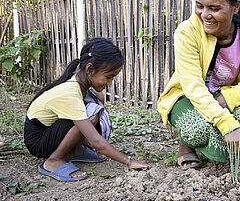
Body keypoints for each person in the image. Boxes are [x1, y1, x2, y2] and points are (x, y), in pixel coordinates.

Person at [157, 0, 240, 170]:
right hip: (187, 98)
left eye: (214, 9)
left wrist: (228, 96)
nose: (205, 15)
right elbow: (193, 87)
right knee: (197, 131)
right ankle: (187, 144)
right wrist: (227, 124)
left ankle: (219, 142)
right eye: (199, 6)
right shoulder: (187, 32)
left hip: (222, 98)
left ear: (236, 7)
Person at [24, 38, 150, 182]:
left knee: (97, 99)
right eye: (108, 77)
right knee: (91, 114)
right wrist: (129, 161)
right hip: (38, 141)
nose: (109, 83)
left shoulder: (80, 84)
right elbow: (95, 139)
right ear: (89, 68)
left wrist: (90, 144)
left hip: (49, 131)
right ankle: (54, 160)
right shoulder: (70, 92)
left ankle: (75, 150)